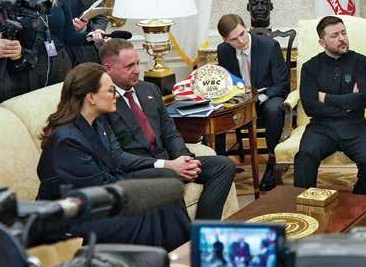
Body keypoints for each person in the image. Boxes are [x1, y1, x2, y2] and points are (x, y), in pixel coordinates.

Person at [36, 63, 190, 252]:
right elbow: (99, 190)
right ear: (91, 97)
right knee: (150, 206)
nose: (116, 95)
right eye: (110, 91)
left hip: (100, 197)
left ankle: (181, 256)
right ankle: (175, 259)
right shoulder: (67, 141)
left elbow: (112, 171)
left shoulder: (97, 122)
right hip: (73, 215)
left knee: (167, 183)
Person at [99, 39, 236, 220]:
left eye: (138, 63)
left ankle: (203, 227)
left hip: (169, 161)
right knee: (168, 178)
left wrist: (184, 159)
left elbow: (170, 132)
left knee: (224, 165)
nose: (137, 70)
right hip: (140, 171)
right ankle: (183, 234)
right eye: (129, 66)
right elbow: (118, 157)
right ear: (108, 69)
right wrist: (168, 165)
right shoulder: (103, 101)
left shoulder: (149, 89)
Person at [293, 16, 366, 195]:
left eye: (343, 33)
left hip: (354, 125)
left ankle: (359, 196)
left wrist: (325, 97)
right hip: (321, 127)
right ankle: (306, 202)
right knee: (305, 156)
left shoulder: (360, 62)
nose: (342, 38)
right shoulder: (310, 67)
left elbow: (364, 100)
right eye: (334, 36)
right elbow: (310, 107)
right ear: (322, 42)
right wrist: (348, 104)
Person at [217, 14, 289, 191]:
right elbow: (225, 82)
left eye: (242, 34)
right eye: (234, 39)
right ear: (225, 40)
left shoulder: (269, 46)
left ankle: (272, 164)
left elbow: (282, 84)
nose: (241, 41)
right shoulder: (223, 50)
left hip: (267, 96)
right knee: (216, 111)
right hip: (240, 99)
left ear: (246, 27)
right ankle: (220, 164)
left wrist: (259, 99)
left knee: (274, 109)